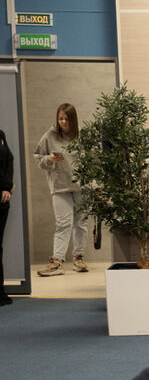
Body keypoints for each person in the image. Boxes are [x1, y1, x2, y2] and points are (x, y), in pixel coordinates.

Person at [34, 102, 92, 276]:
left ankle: (78, 258)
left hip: (82, 186)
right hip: (59, 187)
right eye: (60, 119)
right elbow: (38, 159)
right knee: (63, 223)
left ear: (73, 119)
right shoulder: (49, 136)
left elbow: (94, 161)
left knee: (81, 223)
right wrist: (50, 159)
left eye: (67, 119)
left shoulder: (83, 135)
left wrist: (95, 186)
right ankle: (57, 262)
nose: (63, 122)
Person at [0, 127, 13, 305]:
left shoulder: (1, 134)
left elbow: (9, 161)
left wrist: (7, 186)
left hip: (2, 199)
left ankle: (0, 291)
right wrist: (6, 185)